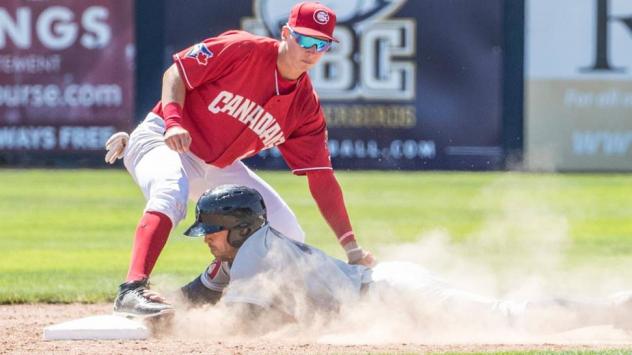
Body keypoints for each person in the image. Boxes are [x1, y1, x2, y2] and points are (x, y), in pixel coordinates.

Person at [106, 2, 375, 318]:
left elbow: (322, 179)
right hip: (162, 137)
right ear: (286, 33)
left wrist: (351, 247)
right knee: (170, 190)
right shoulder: (243, 48)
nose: (311, 50)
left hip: (216, 164)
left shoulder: (305, 106)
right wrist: (175, 121)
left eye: (321, 44)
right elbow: (175, 73)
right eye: (304, 39)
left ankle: (213, 281)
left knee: (286, 231)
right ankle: (132, 289)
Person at [179, 184, 632, 334]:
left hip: (396, 294)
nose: (206, 239)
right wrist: (153, 307)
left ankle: (615, 308)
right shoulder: (239, 253)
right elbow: (197, 296)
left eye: (212, 231)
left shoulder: (257, 253)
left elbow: (238, 325)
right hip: (383, 294)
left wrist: (175, 328)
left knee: (506, 318)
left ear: (240, 228)